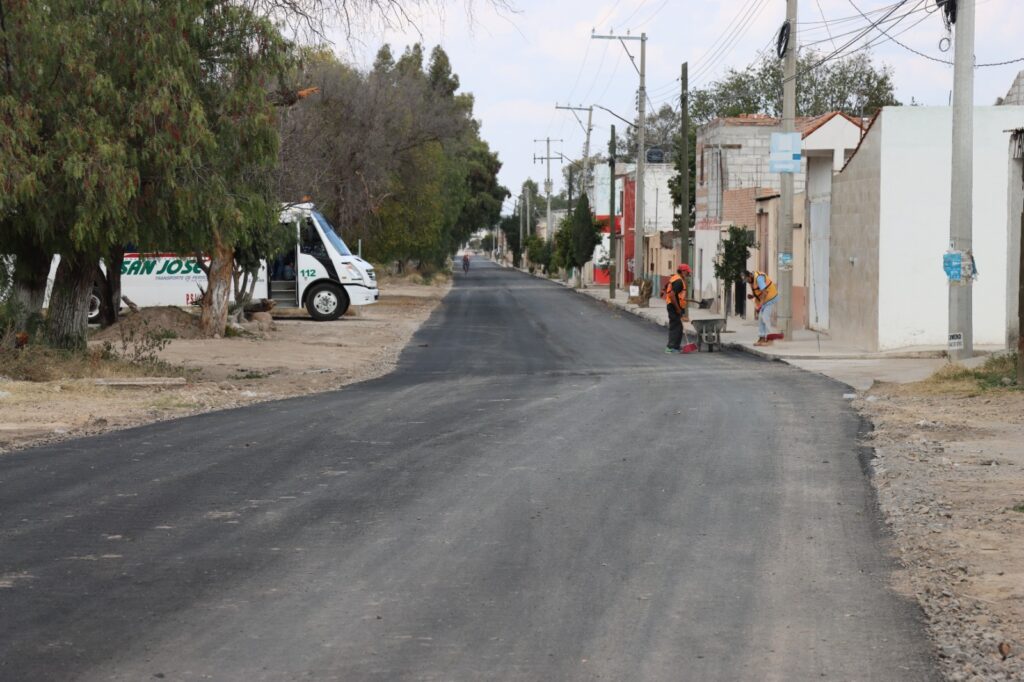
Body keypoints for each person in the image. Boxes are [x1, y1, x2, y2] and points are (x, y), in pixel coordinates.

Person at [745, 269, 778, 346]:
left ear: (750, 275)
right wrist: (753, 296)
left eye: (747, 279)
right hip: (764, 300)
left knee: (765, 317)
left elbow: (765, 292)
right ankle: (762, 338)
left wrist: (760, 305)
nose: (747, 281)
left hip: (770, 298)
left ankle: (770, 339)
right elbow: (759, 291)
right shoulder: (752, 280)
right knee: (760, 318)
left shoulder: (759, 279)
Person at [663, 263, 691, 353]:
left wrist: (682, 299)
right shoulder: (679, 281)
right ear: (683, 271)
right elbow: (672, 295)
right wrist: (678, 308)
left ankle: (676, 346)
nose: (688, 274)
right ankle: (670, 347)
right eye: (687, 272)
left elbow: (670, 289)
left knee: (679, 326)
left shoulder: (675, 278)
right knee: (675, 326)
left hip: (675, 305)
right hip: (673, 306)